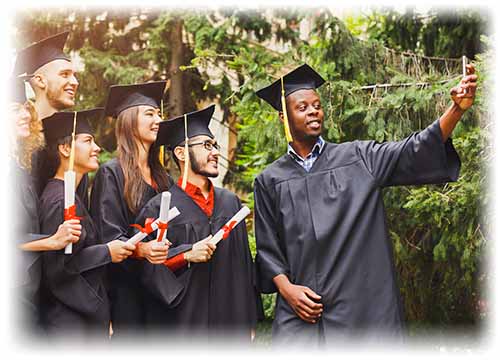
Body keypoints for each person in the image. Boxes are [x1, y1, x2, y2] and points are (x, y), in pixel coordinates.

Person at [253, 63, 477, 346]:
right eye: (302, 107)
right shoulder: (269, 180)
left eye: (317, 105)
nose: (313, 111)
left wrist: (456, 109)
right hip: (302, 316)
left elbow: (413, 149)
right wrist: (287, 291)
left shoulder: (359, 158)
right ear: (283, 118)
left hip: (360, 314)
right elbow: (268, 250)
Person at [135, 105, 259, 341]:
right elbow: (146, 269)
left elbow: (244, 267)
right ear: (181, 153)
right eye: (206, 145)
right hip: (182, 327)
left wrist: (249, 319)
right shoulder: (160, 208)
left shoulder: (230, 203)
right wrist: (185, 255)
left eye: (215, 146)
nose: (214, 153)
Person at [36, 109, 135, 338]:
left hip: (82, 322)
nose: (97, 147)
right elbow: (58, 269)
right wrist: (107, 252)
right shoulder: (59, 199)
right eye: (88, 141)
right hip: (68, 327)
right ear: (65, 148)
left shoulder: (72, 196)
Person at [89, 81, 174, 337]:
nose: (158, 120)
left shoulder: (163, 178)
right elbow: (108, 236)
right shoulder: (111, 173)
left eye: (158, 114)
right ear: (129, 120)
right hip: (126, 293)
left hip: (161, 289)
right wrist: (142, 249)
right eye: (149, 114)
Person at [10, 77, 81, 334]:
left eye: (25, 108)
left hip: (28, 287)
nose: (24, 114)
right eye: (13, 109)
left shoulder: (18, 168)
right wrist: (52, 241)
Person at [13, 31, 89, 205]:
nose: (75, 82)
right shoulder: (19, 143)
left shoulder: (72, 144)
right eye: (65, 74)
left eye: (74, 75)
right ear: (40, 81)